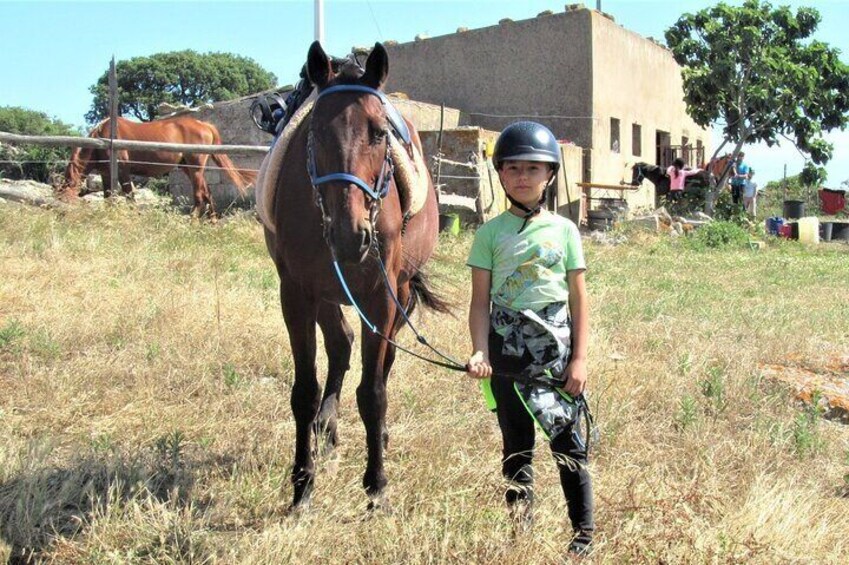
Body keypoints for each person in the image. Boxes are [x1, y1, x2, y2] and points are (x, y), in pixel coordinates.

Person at [465, 121, 595, 556]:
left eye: (533, 168)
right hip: (506, 355)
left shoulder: (565, 231)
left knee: (569, 445)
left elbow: (579, 300)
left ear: (550, 174)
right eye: (513, 167)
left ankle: (583, 537)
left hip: (556, 356)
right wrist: (480, 350)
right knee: (516, 447)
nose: (522, 176)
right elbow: (480, 302)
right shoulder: (488, 234)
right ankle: (520, 535)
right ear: (500, 173)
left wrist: (579, 360)